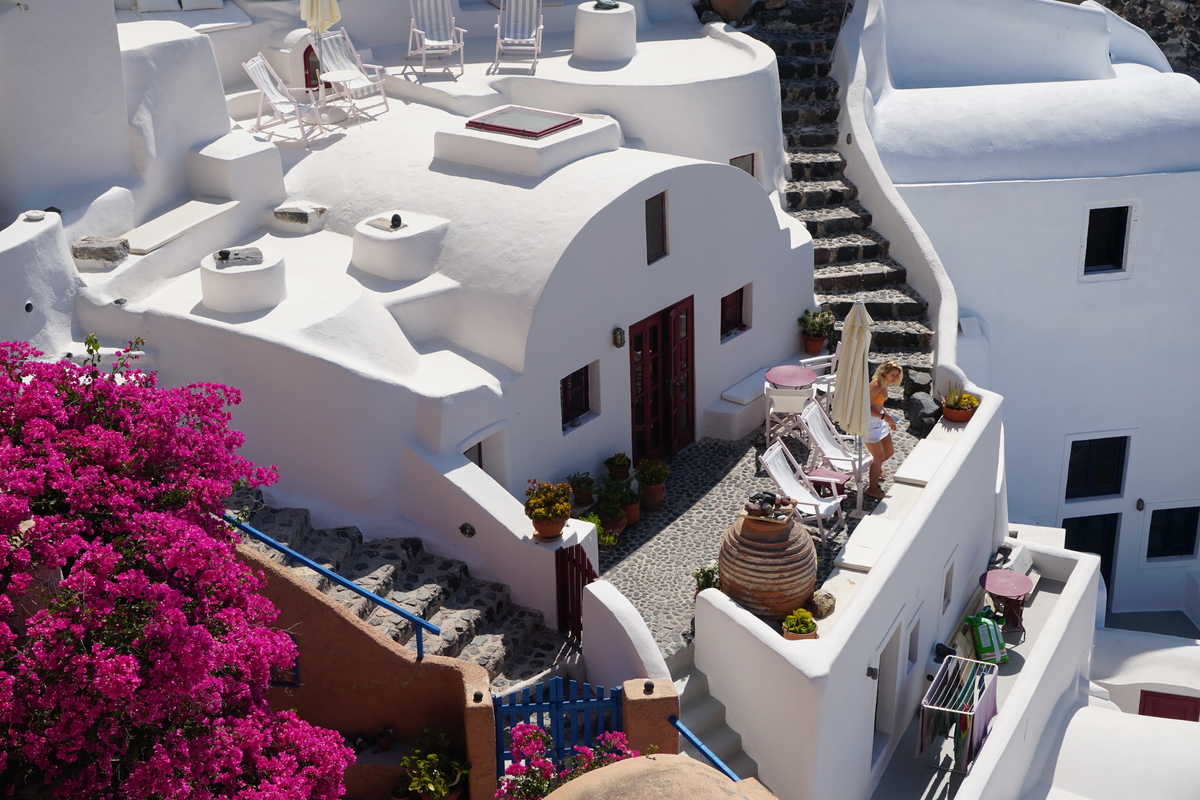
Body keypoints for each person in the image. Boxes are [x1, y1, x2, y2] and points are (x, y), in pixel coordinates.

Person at [865, 359, 902, 499]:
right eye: (893, 375)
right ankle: (872, 489)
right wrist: (884, 418)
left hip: (879, 421)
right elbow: (865, 409)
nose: (895, 378)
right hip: (869, 424)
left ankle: (876, 466)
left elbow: (879, 406)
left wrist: (888, 418)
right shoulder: (875, 386)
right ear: (884, 373)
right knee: (879, 457)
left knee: (889, 452)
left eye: (897, 375)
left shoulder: (884, 384)